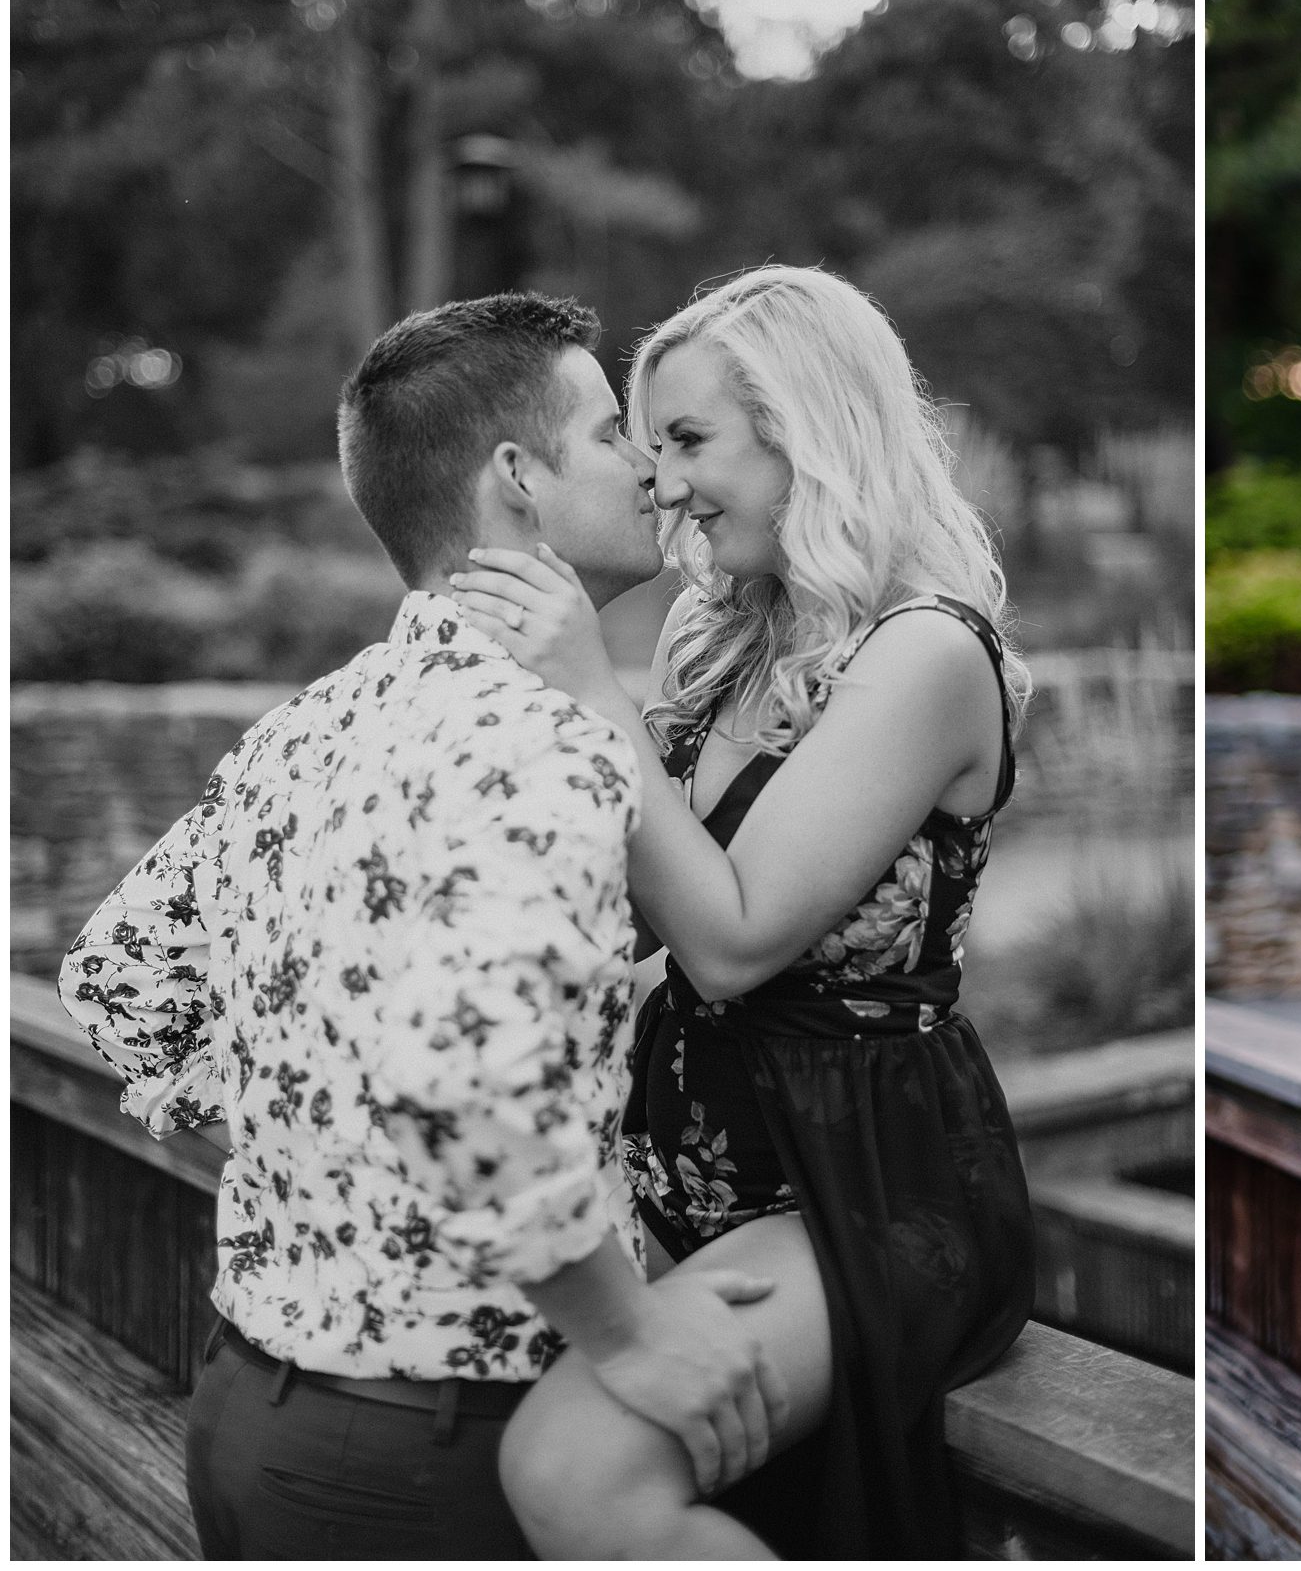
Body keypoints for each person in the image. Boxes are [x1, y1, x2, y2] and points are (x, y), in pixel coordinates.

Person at [59, 293, 789, 1559]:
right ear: (518, 478)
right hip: (435, 1460)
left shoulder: (310, 727)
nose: (652, 473)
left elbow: (116, 981)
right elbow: (469, 1085)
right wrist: (635, 1331)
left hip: (245, 1412)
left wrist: (325, 1140)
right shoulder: (545, 744)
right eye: (616, 434)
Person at [448, 265, 1036, 1559]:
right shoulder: (735, 642)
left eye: (689, 439)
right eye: (645, 444)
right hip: (696, 1177)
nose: (659, 480)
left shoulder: (925, 652)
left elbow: (730, 936)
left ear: (809, 427)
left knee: (572, 1468)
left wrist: (588, 684)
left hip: (861, 1185)